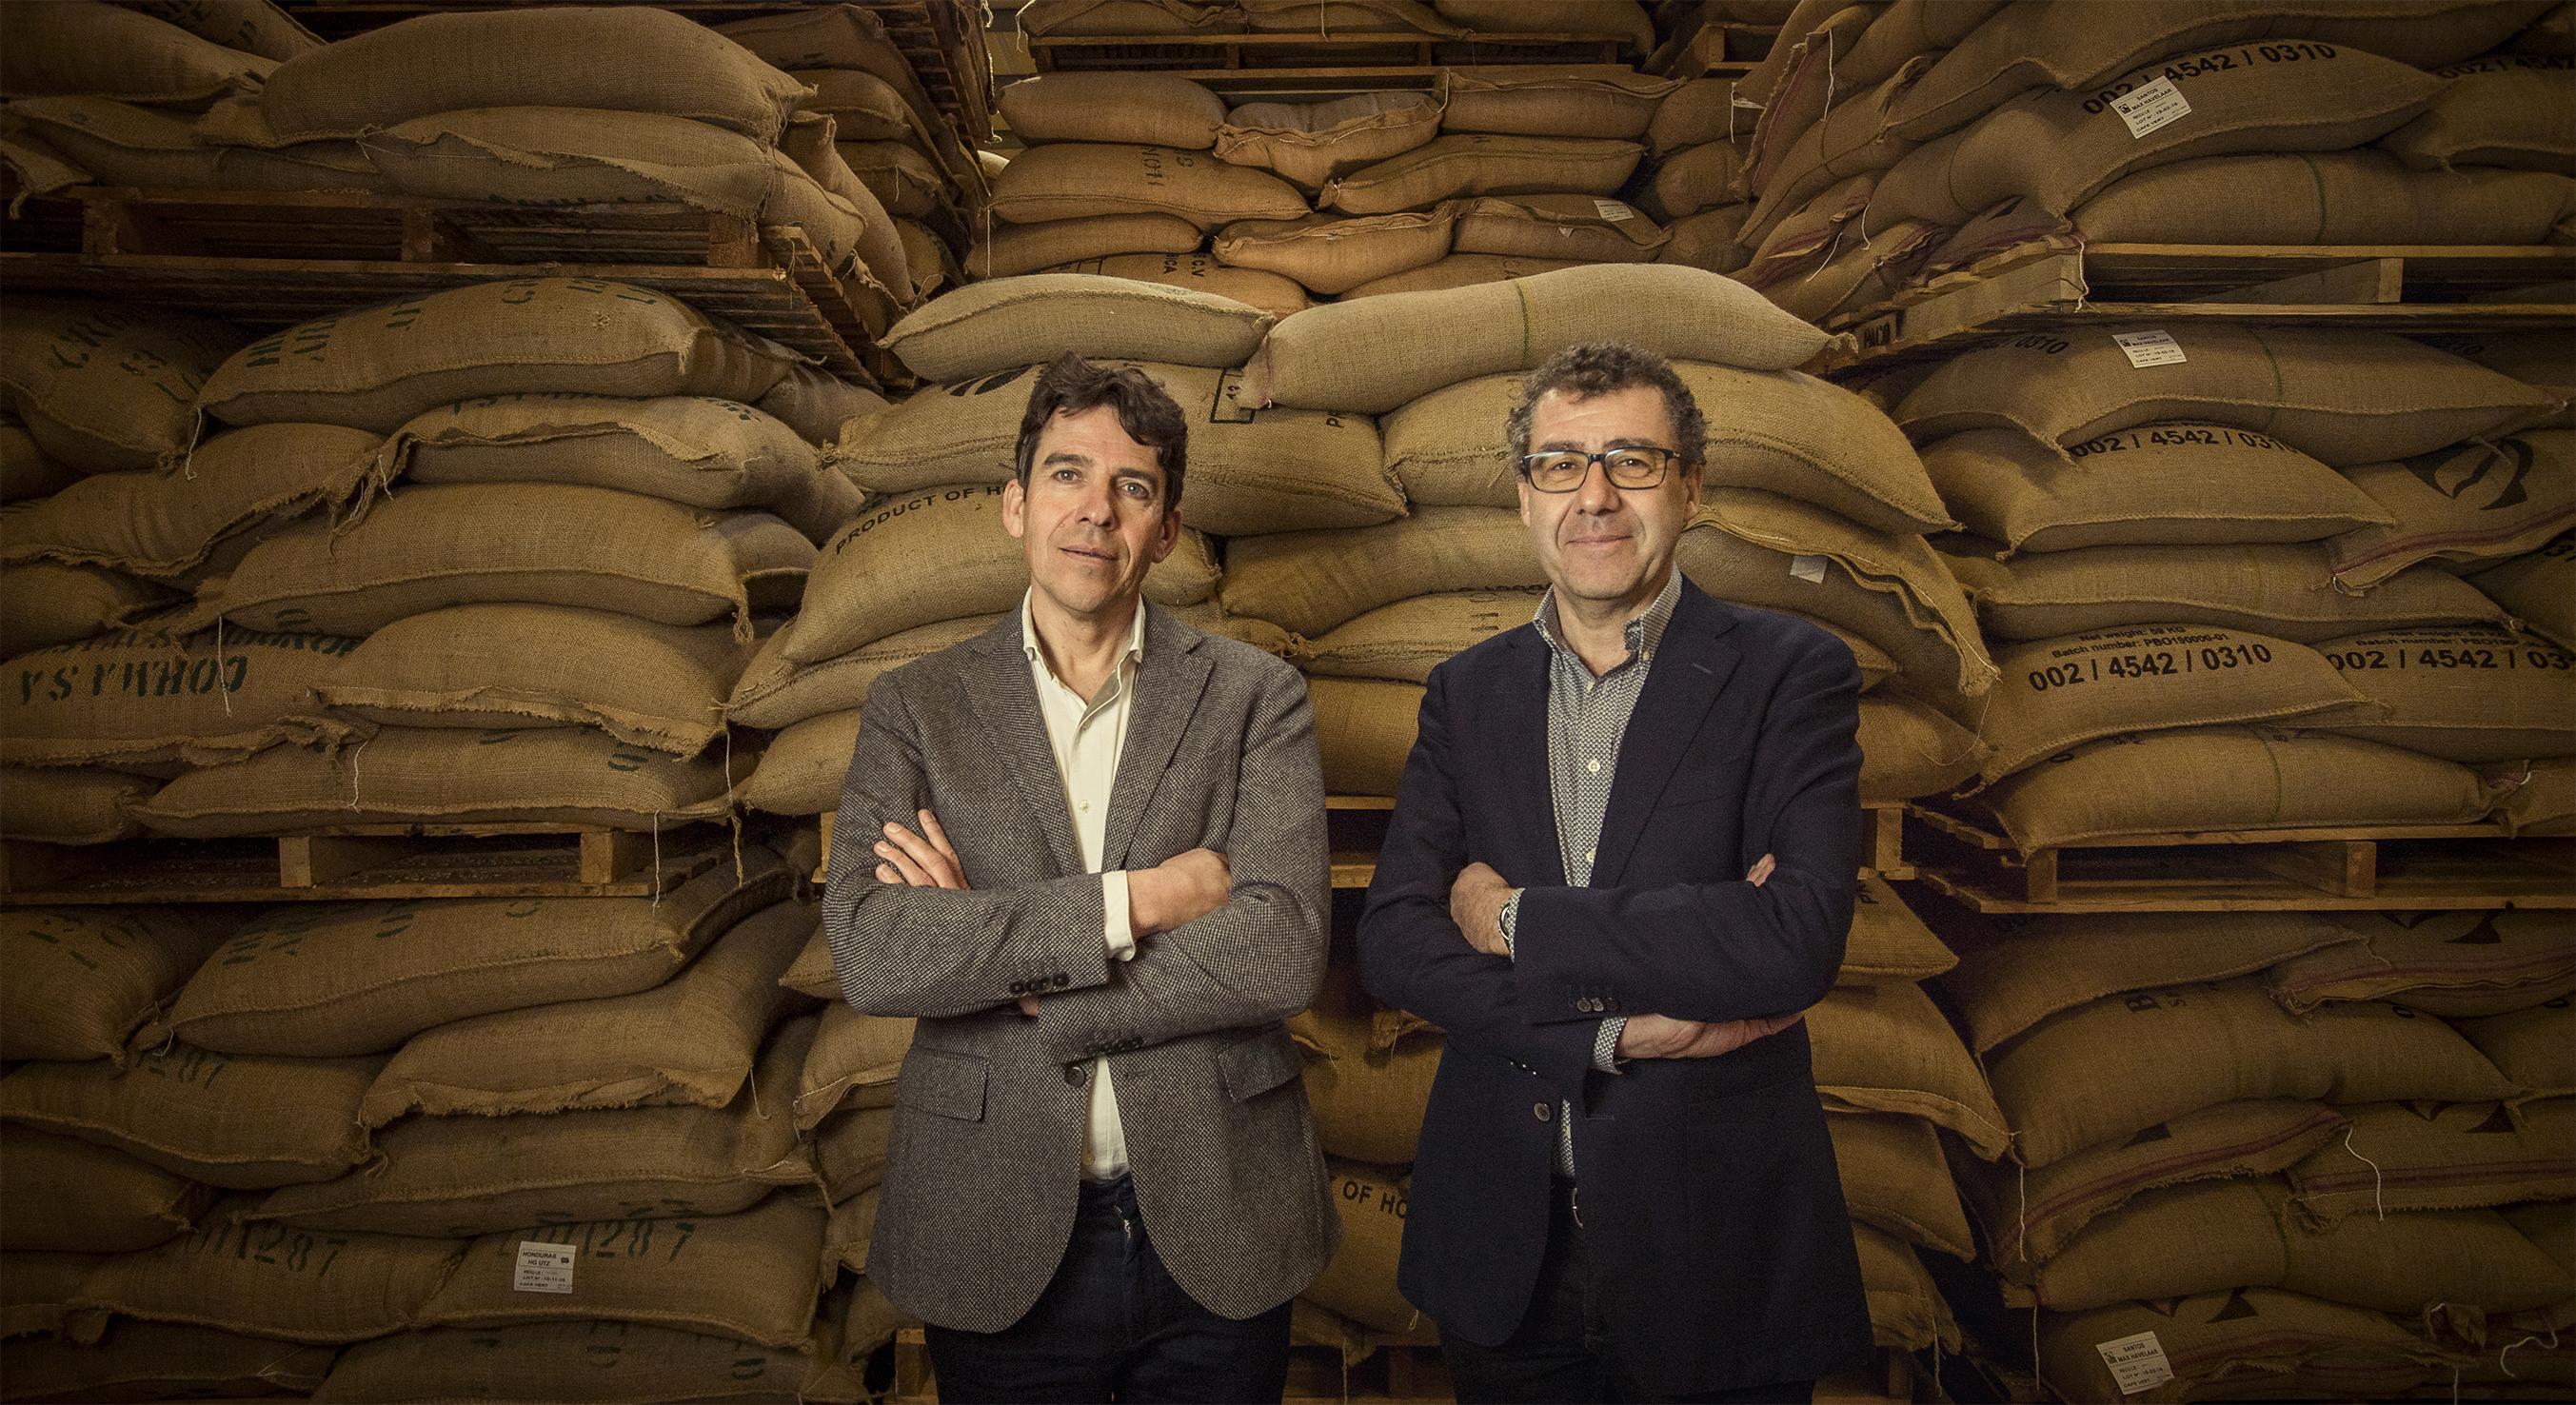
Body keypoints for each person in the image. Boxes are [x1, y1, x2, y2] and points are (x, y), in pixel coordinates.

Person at [1357, 342, 1873, 1403]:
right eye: (1560, 465)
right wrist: (1611, 1033)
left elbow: (1795, 937)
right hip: (1507, 1246)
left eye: (1632, 462)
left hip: (1716, 1248)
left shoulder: (1790, 672)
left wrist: (1517, 924)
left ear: (1691, 486)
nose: (1595, 496)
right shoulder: (1465, 693)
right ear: (1523, 498)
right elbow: (1396, 938)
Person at [822, 354, 1338, 1404]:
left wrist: (1015, 971)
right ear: (1015, 504)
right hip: (994, 1216)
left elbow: (1280, 947)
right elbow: (872, 947)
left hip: (1219, 1208)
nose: (1095, 512)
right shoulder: (915, 706)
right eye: (1066, 476)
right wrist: (1136, 902)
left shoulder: (1255, 698)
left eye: (1132, 488)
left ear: (1168, 529)